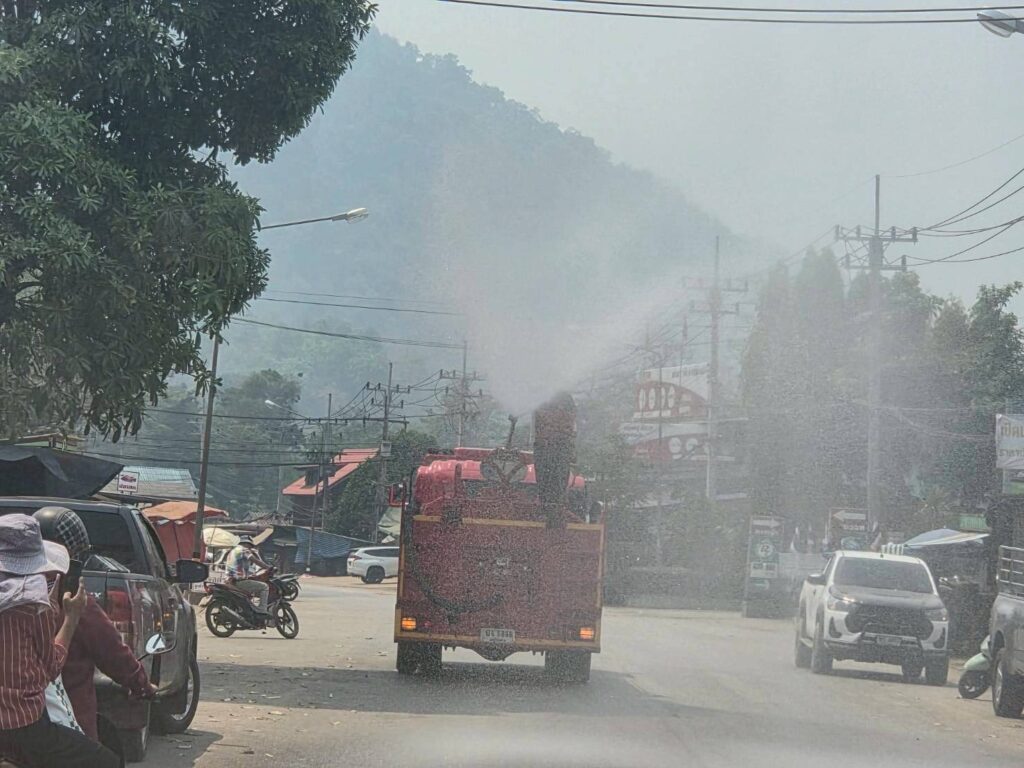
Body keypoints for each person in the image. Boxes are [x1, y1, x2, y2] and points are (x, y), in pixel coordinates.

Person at [0, 514, 119, 768]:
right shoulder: (36, 607)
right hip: (24, 726)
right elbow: (51, 668)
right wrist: (71, 618)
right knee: (107, 762)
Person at [33, 507, 156, 744]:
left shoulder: (12, 598)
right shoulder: (75, 602)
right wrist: (141, 684)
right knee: (101, 759)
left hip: (15, 724)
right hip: (68, 725)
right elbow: (112, 652)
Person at [225, 536, 271, 615]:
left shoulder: (232, 551)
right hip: (238, 581)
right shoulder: (243, 550)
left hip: (229, 580)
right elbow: (255, 560)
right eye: (250, 546)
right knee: (265, 587)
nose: (250, 548)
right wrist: (268, 567)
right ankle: (261, 610)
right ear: (247, 544)